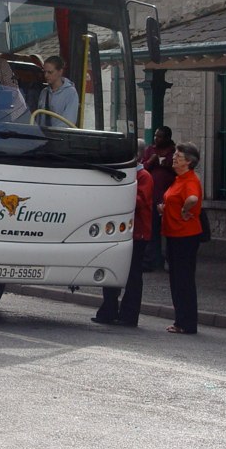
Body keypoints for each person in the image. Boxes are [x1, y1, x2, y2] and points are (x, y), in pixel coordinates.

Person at [93, 139, 153, 327]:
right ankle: (108, 310)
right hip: (117, 229)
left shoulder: (144, 177)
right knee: (111, 269)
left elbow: (140, 201)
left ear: (136, 156)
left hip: (137, 232)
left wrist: (120, 191)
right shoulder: (122, 175)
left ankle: (129, 314)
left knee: (133, 274)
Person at [160, 141, 203, 334]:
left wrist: (185, 210)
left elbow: (193, 198)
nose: (174, 159)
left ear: (188, 162)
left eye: (178, 157)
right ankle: (181, 320)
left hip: (184, 235)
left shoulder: (190, 180)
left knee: (183, 280)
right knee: (177, 280)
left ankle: (187, 322)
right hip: (174, 233)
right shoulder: (178, 179)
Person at [142, 126, 176, 270]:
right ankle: (152, 260)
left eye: (160, 136)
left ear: (167, 138)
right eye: (156, 136)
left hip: (169, 198)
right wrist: (151, 161)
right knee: (153, 230)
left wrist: (165, 164)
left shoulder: (174, 152)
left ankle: (170, 260)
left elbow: (177, 169)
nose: (156, 139)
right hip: (153, 197)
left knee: (169, 231)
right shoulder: (150, 150)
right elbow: (142, 167)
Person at [38, 55, 79, 126]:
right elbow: (39, 119)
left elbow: (68, 122)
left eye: (50, 72)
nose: (46, 75)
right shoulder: (44, 92)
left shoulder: (71, 93)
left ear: (60, 71)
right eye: (44, 72)